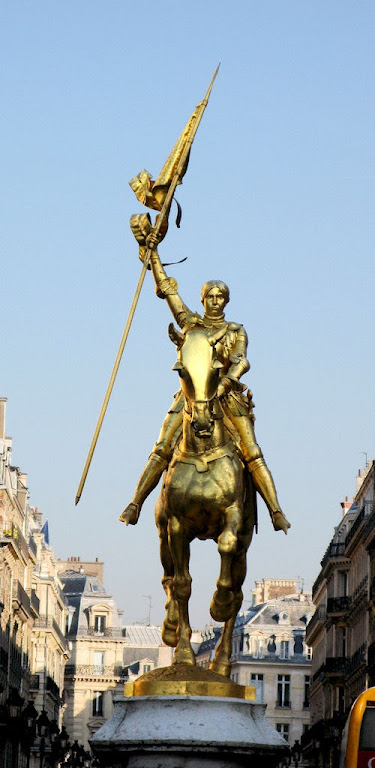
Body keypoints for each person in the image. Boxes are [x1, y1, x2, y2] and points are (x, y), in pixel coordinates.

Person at [120, 233, 290, 535]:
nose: (214, 301)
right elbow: (168, 293)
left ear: (226, 300)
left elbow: (241, 360)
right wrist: (153, 256)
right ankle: (135, 503)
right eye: (209, 297)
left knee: (251, 451)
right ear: (202, 300)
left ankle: (275, 510)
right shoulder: (191, 326)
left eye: (219, 297)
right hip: (192, 396)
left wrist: (226, 382)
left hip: (226, 396)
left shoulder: (235, 330)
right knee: (161, 447)